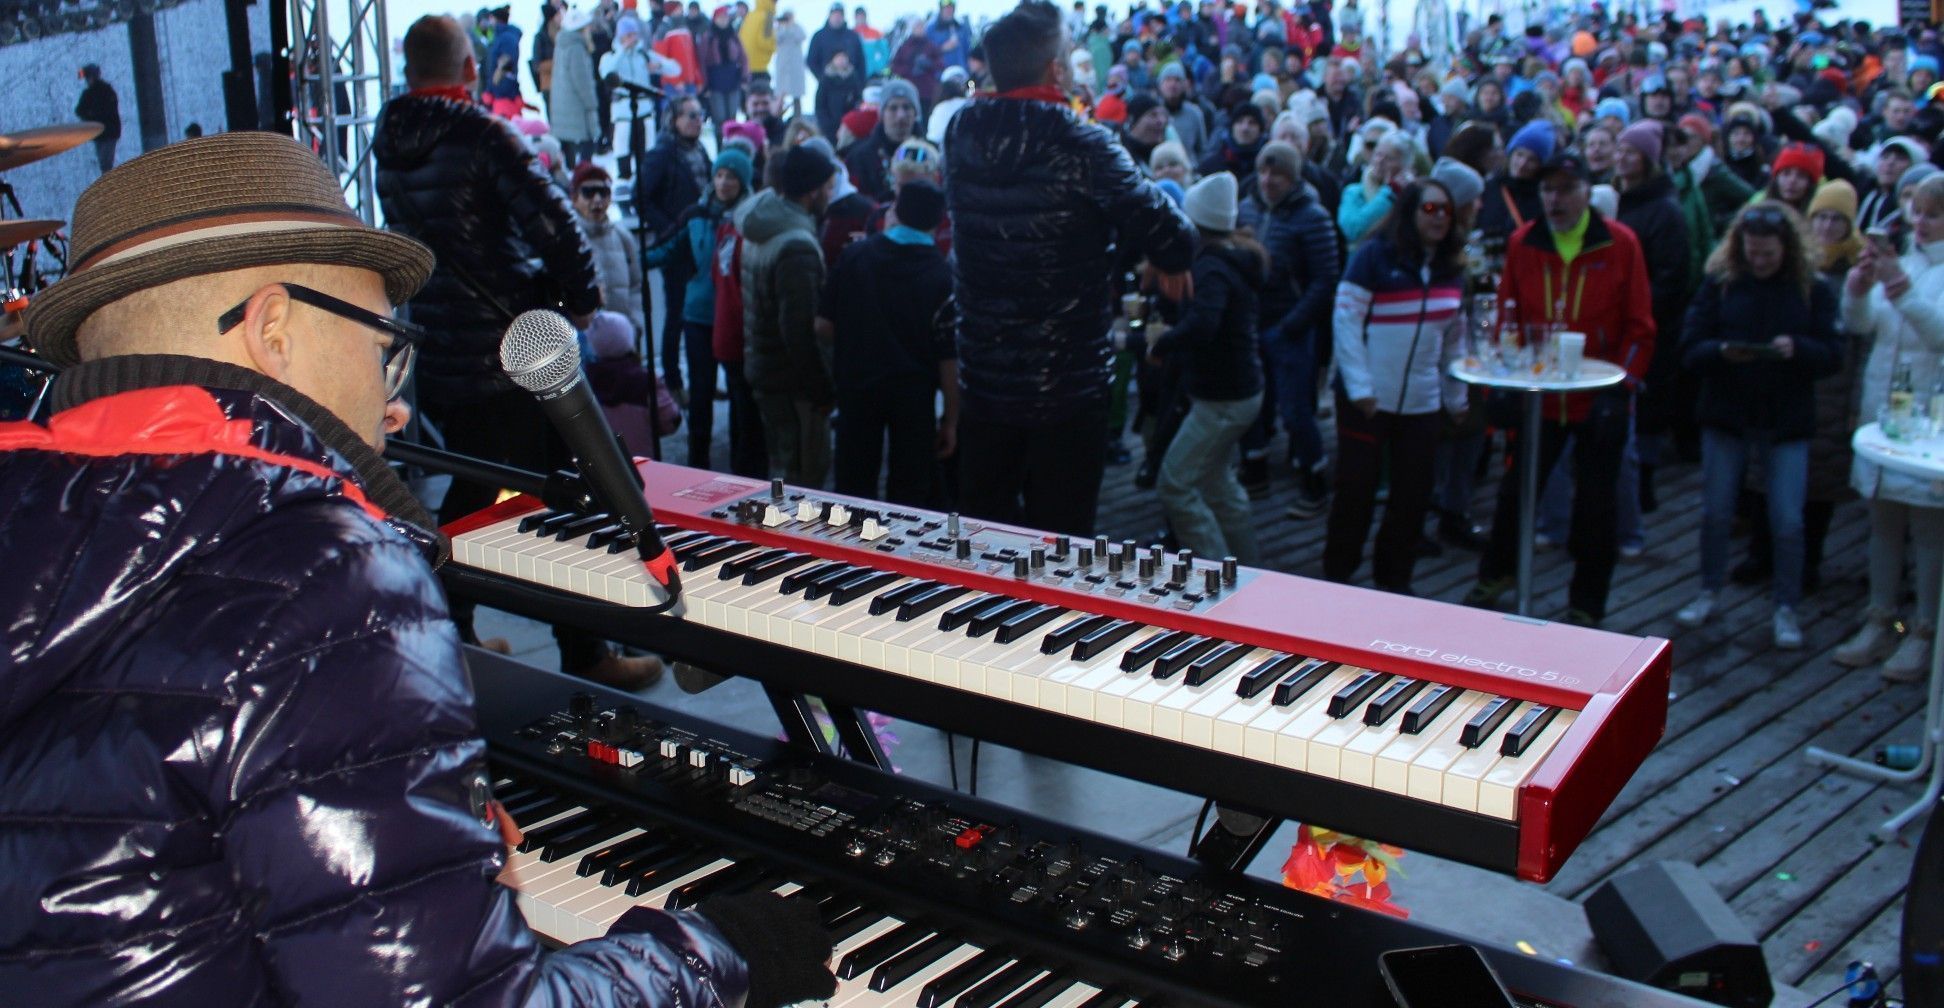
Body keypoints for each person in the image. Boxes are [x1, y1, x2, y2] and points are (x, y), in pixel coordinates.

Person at [0, 129, 835, 1008]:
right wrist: (714, 953)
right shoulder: (322, 575)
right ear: (273, 331)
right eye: (380, 345)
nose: (395, 407)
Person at [374, 16, 656, 686]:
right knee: (566, 493)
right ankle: (583, 654)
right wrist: (582, 302)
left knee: (473, 492)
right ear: (471, 68)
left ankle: (457, 644)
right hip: (515, 348)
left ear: (410, 70)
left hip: (446, 348)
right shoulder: (482, 134)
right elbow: (556, 225)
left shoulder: (388, 142)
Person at [944, 0, 1193, 537]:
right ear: (1056, 70)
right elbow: (1168, 229)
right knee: (1061, 539)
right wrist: (1169, 258)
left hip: (985, 375)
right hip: (1067, 383)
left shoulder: (960, 130)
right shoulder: (1082, 142)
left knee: (984, 535)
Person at [1465, 151, 1654, 628]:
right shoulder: (1523, 241)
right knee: (1516, 492)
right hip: (1539, 394)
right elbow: (1507, 316)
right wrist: (1503, 381)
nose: (1556, 198)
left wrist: (1623, 387)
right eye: (1548, 189)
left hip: (1599, 394)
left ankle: (1587, 602)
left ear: (1588, 192)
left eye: (1567, 188)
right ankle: (1497, 572)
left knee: (1596, 504)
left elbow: (1641, 326)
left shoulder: (1621, 242)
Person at [1673, 202, 1841, 649]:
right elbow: (1689, 347)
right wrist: (1721, 351)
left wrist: (1798, 348)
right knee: (1716, 512)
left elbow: (1833, 354)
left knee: (1787, 519)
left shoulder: (1812, 289)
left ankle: (1786, 606)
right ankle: (1708, 591)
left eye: (1768, 253)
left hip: (1786, 420)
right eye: (1752, 252)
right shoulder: (1721, 283)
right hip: (1726, 414)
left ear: (1787, 249)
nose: (1760, 261)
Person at [1323, 177, 1466, 594]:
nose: (1439, 217)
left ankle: (1394, 581)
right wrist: (1360, 387)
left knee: (1412, 496)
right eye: (1429, 209)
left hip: (1422, 400)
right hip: (1366, 398)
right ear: (1409, 212)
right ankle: (1337, 579)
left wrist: (1456, 396)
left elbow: (1455, 339)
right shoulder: (1373, 256)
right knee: (1355, 490)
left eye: (1446, 210)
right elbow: (1346, 321)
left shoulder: (1452, 268)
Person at [1833, 174, 1944, 681]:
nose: (1921, 223)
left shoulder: (1915, 271)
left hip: (1930, 418)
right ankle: (1880, 620)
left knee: (1928, 530)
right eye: (1916, 212)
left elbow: (1939, 335)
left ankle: (1924, 631)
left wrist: (1897, 286)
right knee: (1883, 521)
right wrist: (1857, 290)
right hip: (1884, 410)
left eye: (1933, 215)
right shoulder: (1906, 262)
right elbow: (1862, 325)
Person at [1150, 172, 1266, 565]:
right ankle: (1247, 568)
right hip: (1238, 390)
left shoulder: (1211, 267)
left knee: (1175, 483)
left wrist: (1163, 342)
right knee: (1218, 484)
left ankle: (1218, 575)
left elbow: (1203, 325)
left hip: (1223, 399)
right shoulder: (1233, 258)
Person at [821, 180, 957, 506]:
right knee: (910, 492)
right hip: (914, 397)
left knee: (853, 489)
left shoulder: (855, 256)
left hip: (857, 386)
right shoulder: (941, 274)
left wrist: (855, 342)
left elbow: (822, 325)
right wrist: (951, 420)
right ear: (936, 223)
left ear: (894, 211)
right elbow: (948, 358)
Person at [1240, 140, 1340, 518]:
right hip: (1252, 323)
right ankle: (1255, 469)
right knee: (1251, 403)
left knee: (1296, 409)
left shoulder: (1312, 217)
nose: (1268, 180)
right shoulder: (1247, 208)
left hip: (1290, 327)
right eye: (1263, 171)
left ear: (1293, 177)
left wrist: (1294, 323)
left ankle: (1314, 482)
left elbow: (1325, 278)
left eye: (1277, 173)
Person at [645, 147, 752, 469]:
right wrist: (630, 262)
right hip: (699, 315)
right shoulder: (696, 214)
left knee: (740, 396)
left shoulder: (751, 218)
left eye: (731, 177)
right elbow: (665, 248)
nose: (723, 182)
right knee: (701, 393)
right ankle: (697, 464)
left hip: (736, 317)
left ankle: (742, 467)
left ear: (743, 182)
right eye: (719, 175)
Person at [739, 144, 838, 485]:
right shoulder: (796, 246)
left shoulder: (763, 225)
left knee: (783, 466)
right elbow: (798, 331)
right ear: (813, 191)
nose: (831, 194)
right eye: (828, 186)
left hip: (768, 372)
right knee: (802, 478)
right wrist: (822, 391)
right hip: (792, 384)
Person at [637, 93, 712, 400]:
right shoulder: (663, 153)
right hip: (676, 246)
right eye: (691, 115)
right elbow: (641, 196)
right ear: (674, 120)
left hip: (700, 243)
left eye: (700, 115)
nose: (697, 121)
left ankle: (703, 380)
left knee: (700, 313)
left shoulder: (700, 149)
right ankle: (673, 382)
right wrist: (670, 227)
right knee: (676, 315)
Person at [570, 163, 647, 349]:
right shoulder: (569, 240)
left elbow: (636, 286)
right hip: (583, 347)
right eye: (588, 193)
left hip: (623, 341)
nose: (597, 199)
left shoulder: (623, 237)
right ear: (575, 199)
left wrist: (635, 326)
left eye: (603, 192)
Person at [845, 77, 921, 201]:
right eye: (893, 108)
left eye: (907, 107)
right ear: (882, 114)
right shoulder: (860, 157)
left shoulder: (930, 154)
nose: (901, 116)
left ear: (915, 113)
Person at [549, 6, 602, 166]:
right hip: (578, 107)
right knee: (587, 146)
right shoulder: (577, 48)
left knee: (569, 153)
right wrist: (592, 104)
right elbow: (582, 81)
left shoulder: (562, 44)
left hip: (564, 105)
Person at [699, 4, 749, 142]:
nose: (723, 20)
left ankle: (732, 142)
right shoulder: (708, 37)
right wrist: (704, 84)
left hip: (732, 79)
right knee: (719, 117)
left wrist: (745, 77)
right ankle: (720, 145)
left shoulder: (733, 35)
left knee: (732, 115)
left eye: (725, 17)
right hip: (715, 81)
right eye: (720, 17)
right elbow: (702, 61)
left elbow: (743, 57)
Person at [75, 64, 120, 173]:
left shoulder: (102, 91)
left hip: (107, 132)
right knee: (105, 164)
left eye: (88, 78)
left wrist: (90, 116)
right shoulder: (103, 91)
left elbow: (82, 111)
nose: (87, 81)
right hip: (102, 133)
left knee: (105, 164)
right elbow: (79, 110)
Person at [772, 11, 807, 113]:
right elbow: (776, 38)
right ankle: (778, 116)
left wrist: (791, 26)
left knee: (797, 96)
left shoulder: (796, 27)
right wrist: (782, 26)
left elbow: (802, 36)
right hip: (782, 65)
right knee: (780, 95)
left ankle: (797, 116)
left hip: (795, 66)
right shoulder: (778, 28)